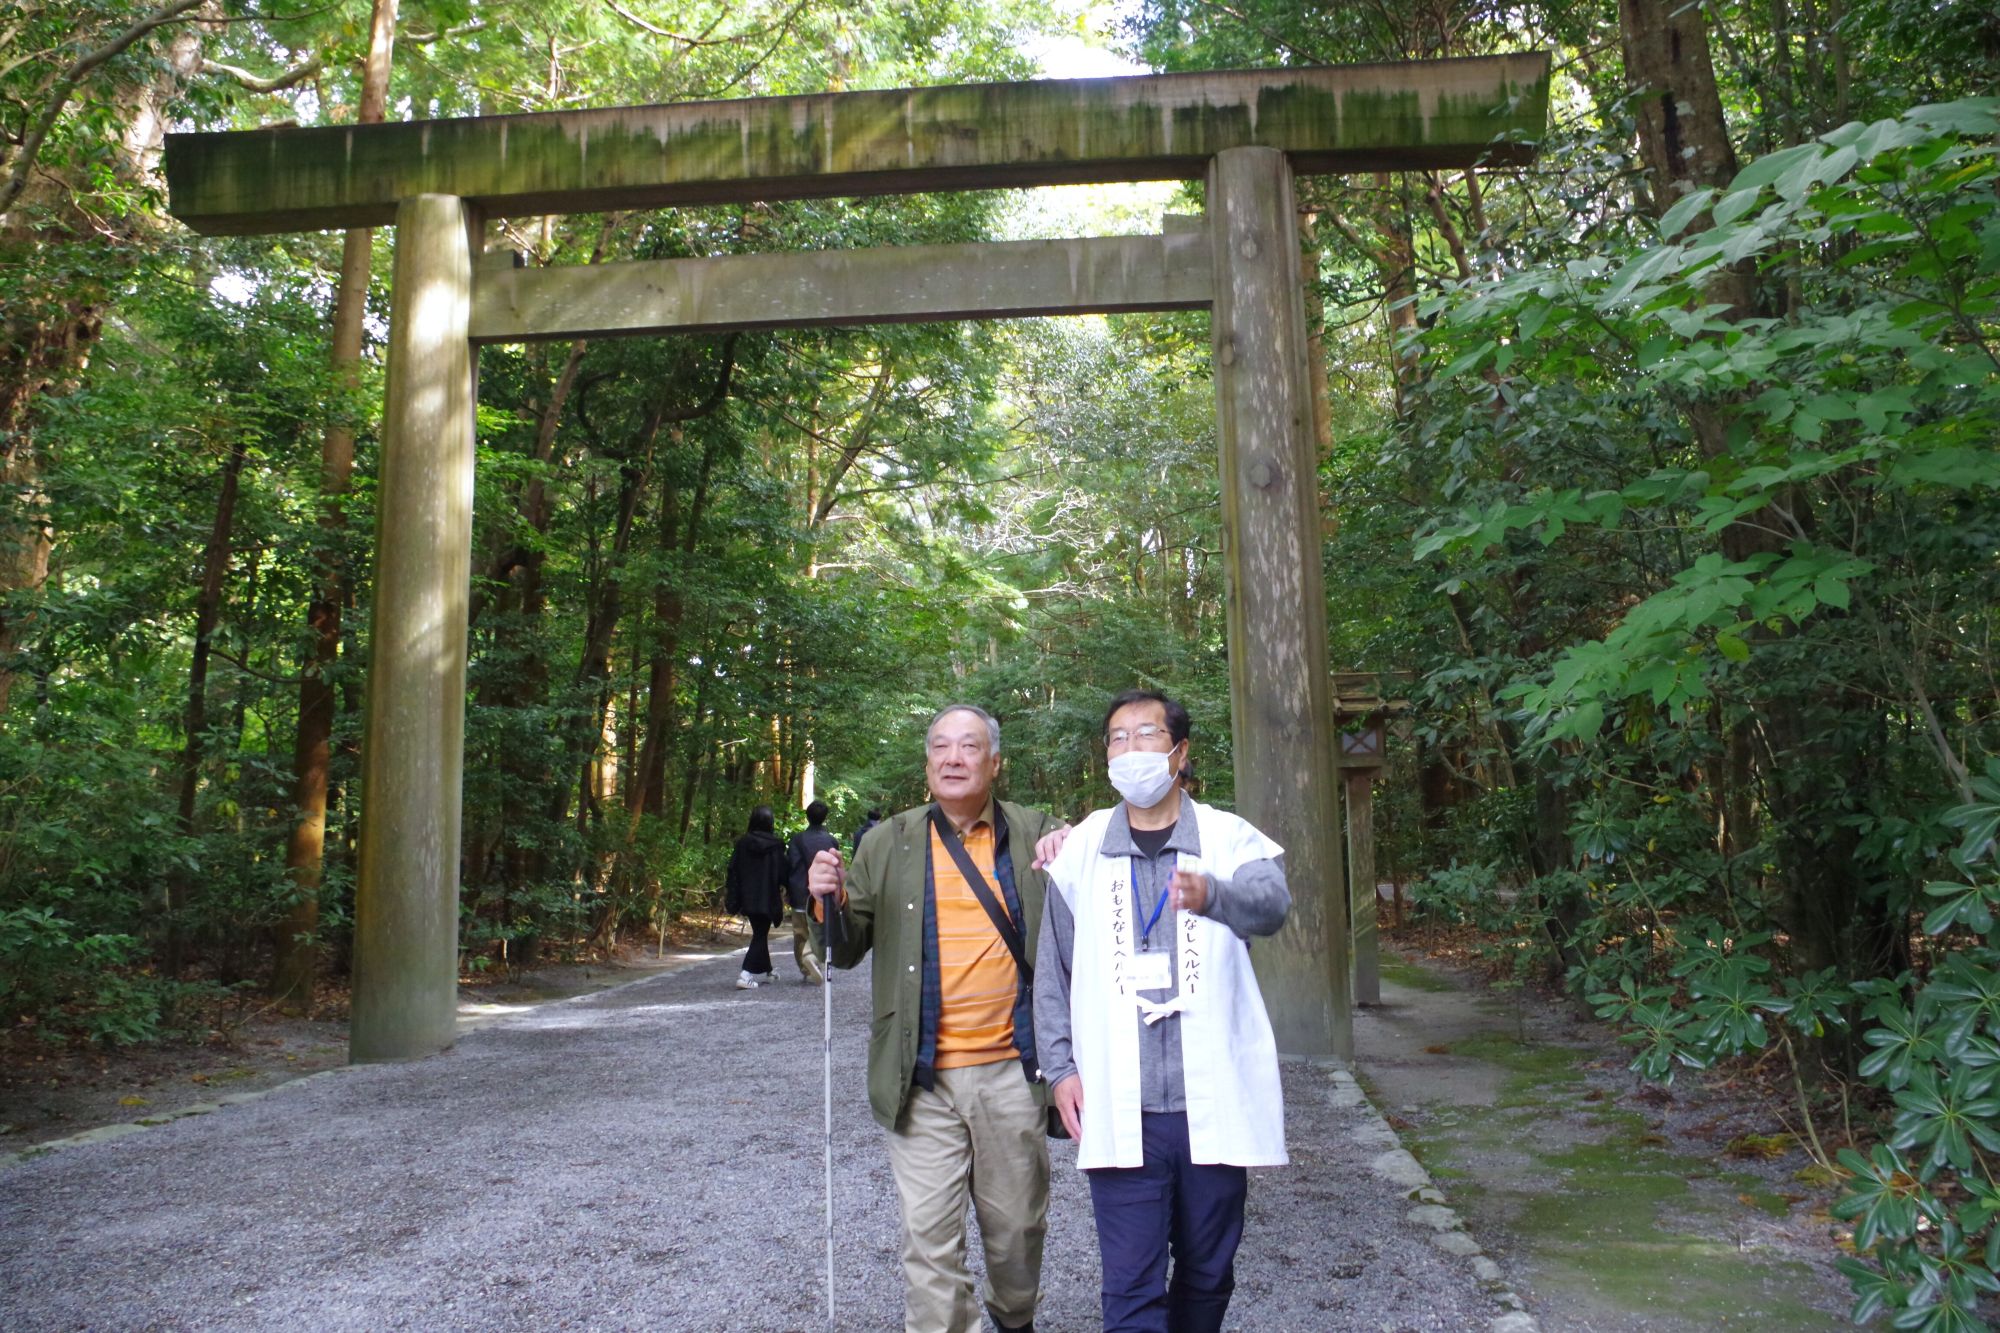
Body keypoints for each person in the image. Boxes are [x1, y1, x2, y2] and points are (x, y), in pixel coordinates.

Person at [1033, 689, 1290, 1333]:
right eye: (1116, 738)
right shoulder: (1081, 849)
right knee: (1130, 1282)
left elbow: (1272, 907)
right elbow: (1052, 974)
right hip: (1122, 1106)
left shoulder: (1229, 838)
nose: (1129, 749)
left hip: (1214, 1101)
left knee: (1207, 1272)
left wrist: (1215, 894)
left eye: (1145, 734)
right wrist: (1060, 1070)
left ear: (1179, 751)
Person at [808, 705, 1064, 1333]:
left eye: (969, 747)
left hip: (1013, 1067)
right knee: (927, 1239)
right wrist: (825, 901)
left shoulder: (1039, 834)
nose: (953, 758)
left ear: (994, 763)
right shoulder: (886, 841)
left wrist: (1075, 846)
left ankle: (1014, 1318)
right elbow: (844, 947)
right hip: (917, 1072)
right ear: (927, 765)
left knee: (1016, 1229)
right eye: (941, 747)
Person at [723, 805, 788, 990]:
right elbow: (784, 872)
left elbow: (733, 870)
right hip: (768, 898)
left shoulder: (743, 843)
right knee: (760, 934)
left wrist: (733, 895)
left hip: (747, 897)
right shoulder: (776, 846)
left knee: (760, 932)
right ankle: (746, 974)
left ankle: (767, 970)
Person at [785, 800, 838, 984]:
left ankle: (805, 966)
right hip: (822, 894)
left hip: (799, 892)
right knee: (820, 929)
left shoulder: (797, 840)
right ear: (825, 818)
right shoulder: (831, 841)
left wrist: (786, 888)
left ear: (807, 816)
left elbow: (790, 866)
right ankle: (814, 956)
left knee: (800, 932)